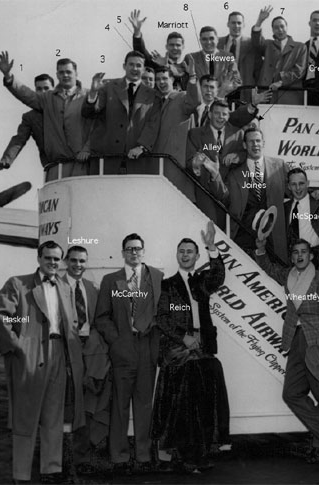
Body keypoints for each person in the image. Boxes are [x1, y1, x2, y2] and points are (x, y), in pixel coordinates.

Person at [0, 241, 85, 484]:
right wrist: (18, 345)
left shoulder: (64, 286)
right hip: (31, 354)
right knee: (26, 416)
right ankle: (21, 474)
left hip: (59, 352)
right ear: (39, 258)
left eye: (56, 259)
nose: (53, 262)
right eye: (48, 258)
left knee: (54, 415)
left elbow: (69, 322)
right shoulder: (18, 284)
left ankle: (51, 470)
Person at [255, 237, 319, 463]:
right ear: (292, 257)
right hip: (295, 340)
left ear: (310, 256)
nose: (299, 256)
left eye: (304, 252)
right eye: (295, 253)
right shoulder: (289, 277)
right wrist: (261, 249)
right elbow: (269, 268)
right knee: (291, 393)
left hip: (318, 342)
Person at [152, 222, 230, 473]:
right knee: (185, 401)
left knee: (208, 396)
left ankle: (202, 452)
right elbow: (161, 318)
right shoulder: (167, 284)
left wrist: (211, 247)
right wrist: (183, 338)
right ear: (178, 255)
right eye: (181, 251)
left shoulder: (203, 282)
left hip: (204, 346)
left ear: (197, 257)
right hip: (180, 348)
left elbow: (219, 274)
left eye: (190, 251)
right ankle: (185, 456)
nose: (185, 255)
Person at [94, 233, 163, 473]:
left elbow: (163, 313)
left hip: (147, 348)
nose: (134, 253)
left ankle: (143, 456)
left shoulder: (157, 277)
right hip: (123, 348)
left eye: (138, 248)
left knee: (144, 405)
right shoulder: (111, 281)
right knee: (119, 406)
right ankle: (120, 457)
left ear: (144, 251)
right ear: (123, 252)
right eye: (129, 249)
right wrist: (116, 341)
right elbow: (101, 317)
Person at [0, 52, 93, 180]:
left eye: (68, 72)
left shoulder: (89, 96)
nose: (65, 75)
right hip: (55, 167)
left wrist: (87, 149)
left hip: (85, 165)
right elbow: (27, 95)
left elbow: (98, 127)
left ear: (76, 73)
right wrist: (8, 76)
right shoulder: (47, 100)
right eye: (61, 72)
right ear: (57, 75)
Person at [62, 246, 109, 476]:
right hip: (64, 351)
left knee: (87, 407)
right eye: (73, 261)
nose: (78, 265)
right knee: (64, 406)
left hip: (90, 352)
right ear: (65, 261)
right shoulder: (54, 287)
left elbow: (99, 321)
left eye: (82, 261)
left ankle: (81, 458)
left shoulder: (91, 288)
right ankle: (59, 460)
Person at [186, 99, 264, 228]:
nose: (220, 117)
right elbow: (188, 162)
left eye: (224, 114)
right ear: (210, 115)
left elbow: (246, 154)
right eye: (217, 113)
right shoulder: (195, 134)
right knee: (207, 229)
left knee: (227, 230)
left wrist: (237, 156)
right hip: (205, 191)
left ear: (228, 116)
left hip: (229, 193)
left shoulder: (238, 133)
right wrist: (196, 164)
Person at [82, 51, 162, 174]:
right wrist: (93, 93)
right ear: (124, 66)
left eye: (139, 65)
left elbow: (152, 124)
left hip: (136, 161)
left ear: (144, 68)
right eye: (131, 64)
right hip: (106, 158)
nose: (135, 68)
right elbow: (89, 113)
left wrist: (142, 147)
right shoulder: (108, 87)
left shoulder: (153, 95)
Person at [220, 127, 289, 262]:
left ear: (263, 143)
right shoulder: (234, 172)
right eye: (251, 142)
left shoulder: (279, 166)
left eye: (258, 141)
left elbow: (293, 191)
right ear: (245, 145)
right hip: (244, 236)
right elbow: (223, 195)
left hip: (273, 236)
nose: (255, 145)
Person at [151, 65, 200, 202]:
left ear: (172, 79)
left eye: (165, 78)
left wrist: (192, 77)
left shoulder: (181, 97)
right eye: (158, 79)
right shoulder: (155, 101)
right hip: (156, 165)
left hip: (175, 167)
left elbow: (194, 101)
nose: (161, 82)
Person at [0, 74, 54, 174]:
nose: (43, 92)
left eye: (46, 88)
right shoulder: (30, 118)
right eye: (39, 89)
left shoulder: (66, 107)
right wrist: (5, 160)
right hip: (52, 168)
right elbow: (19, 140)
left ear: (54, 90)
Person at [251, 6, 307, 105]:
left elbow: (299, 70)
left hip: (289, 96)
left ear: (287, 27)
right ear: (272, 30)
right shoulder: (268, 44)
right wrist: (260, 21)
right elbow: (256, 42)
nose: (280, 30)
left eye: (282, 26)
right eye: (276, 28)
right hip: (266, 94)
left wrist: (281, 82)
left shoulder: (300, 47)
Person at [130, 10, 188, 90]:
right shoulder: (156, 62)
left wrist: (166, 66)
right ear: (166, 46)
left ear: (183, 47)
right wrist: (137, 32)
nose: (175, 48)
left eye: (178, 45)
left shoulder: (188, 67)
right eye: (172, 45)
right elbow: (141, 52)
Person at [217, 11, 260, 89]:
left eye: (239, 23)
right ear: (228, 24)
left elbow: (258, 70)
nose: (236, 26)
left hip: (245, 89)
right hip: (222, 90)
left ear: (243, 25)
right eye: (233, 23)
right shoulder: (218, 43)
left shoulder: (251, 44)